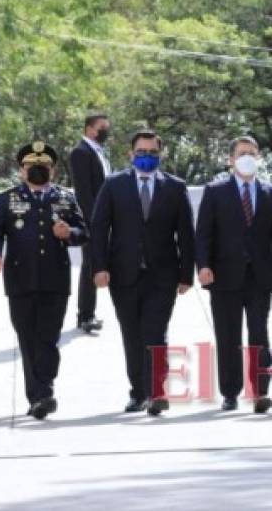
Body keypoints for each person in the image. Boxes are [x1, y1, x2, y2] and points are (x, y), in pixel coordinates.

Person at [91, 129, 195, 416]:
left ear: (160, 155)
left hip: (163, 275)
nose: (146, 157)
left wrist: (187, 273)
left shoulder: (175, 187)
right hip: (123, 274)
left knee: (156, 333)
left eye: (152, 153)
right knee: (132, 334)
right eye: (141, 152)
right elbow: (99, 229)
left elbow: (186, 233)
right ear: (130, 154)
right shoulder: (113, 185)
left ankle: (157, 392)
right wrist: (99, 267)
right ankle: (137, 392)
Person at [0, 141, 88, 420]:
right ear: (21, 171)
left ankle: (43, 390)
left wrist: (70, 233)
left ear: (52, 171)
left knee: (48, 339)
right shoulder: (7, 199)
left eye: (43, 166)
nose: (37, 170)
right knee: (28, 338)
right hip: (20, 279)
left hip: (55, 278)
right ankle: (41, 395)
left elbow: (84, 231)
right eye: (31, 166)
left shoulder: (65, 198)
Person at [196, 136, 272, 413]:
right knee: (228, 336)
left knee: (259, 334)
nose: (247, 157)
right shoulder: (215, 191)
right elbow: (204, 234)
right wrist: (203, 265)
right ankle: (230, 392)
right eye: (241, 153)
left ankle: (261, 391)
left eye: (252, 153)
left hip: (260, 277)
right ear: (231, 160)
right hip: (224, 276)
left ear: (258, 157)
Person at [69, 112, 112, 335]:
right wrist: (95, 221)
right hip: (93, 220)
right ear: (89, 129)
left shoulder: (99, 152)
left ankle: (89, 313)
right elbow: (84, 193)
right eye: (101, 127)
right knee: (90, 265)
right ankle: (85, 315)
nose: (105, 131)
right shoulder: (80, 153)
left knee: (96, 264)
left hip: (106, 218)